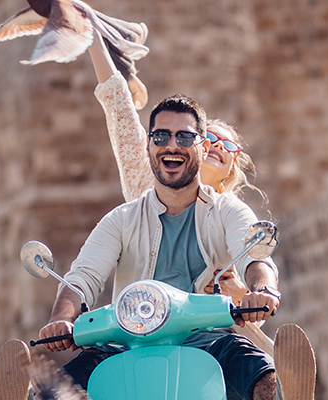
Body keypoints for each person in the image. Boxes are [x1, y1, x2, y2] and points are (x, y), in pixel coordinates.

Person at [37, 94, 283, 400]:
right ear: (149, 146)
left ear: (202, 146)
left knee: (265, 378)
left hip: (207, 340)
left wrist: (264, 289)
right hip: (125, 342)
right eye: (161, 136)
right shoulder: (121, 219)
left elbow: (255, 255)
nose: (172, 145)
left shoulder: (227, 210)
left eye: (184, 136)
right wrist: (60, 319)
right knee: (52, 393)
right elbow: (82, 276)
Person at [85, 31, 278, 353]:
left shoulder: (232, 216)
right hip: (141, 331)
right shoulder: (145, 189)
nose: (217, 145)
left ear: (232, 166)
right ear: (198, 148)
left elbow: (258, 285)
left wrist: (242, 293)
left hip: (212, 342)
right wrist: (90, 36)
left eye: (228, 145)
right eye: (210, 138)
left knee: (257, 370)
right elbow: (118, 107)